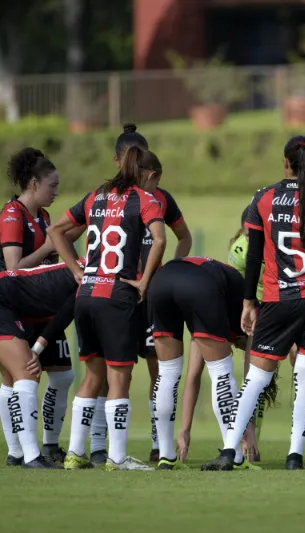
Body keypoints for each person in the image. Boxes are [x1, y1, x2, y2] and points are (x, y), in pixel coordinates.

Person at [201, 135, 305, 471]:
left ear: (286, 163)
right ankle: (295, 455)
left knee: (256, 379)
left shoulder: (264, 198)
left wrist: (247, 302)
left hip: (277, 300)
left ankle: (230, 451)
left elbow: (253, 255)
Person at [48, 146, 167, 471]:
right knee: (119, 379)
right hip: (117, 296)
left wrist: (76, 269)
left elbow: (56, 231)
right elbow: (159, 240)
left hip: (86, 295)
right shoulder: (145, 200)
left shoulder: (95, 197)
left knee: (92, 376)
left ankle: (74, 454)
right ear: (150, 175)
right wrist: (143, 283)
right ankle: (116, 457)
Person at [87, 123, 193, 466]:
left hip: (151, 298)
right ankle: (100, 445)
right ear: (119, 162)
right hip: (115, 295)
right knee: (105, 372)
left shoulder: (159, 198)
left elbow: (183, 237)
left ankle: (156, 442)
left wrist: (170, 273)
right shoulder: (106, 198)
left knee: (158, 371)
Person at [227, 206, 305, 463]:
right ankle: (252, 444)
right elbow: (236, 290)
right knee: (259, 378)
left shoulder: (280, 238)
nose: (254, 238)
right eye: (250, 234)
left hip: (292, 303)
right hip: (261, 313)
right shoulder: (240, 251)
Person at [0, 148, 73, 465]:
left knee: (63, 376)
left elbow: (47, 261)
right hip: (18, 307)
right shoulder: (12, 216)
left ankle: (50, 445)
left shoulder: (43, 217)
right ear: (33, 183)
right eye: (51, 186)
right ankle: (16, 451)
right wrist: (48, 247)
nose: (56, 192)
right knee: (17, 377)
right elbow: (13, 269)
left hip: (45, 307)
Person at [0, 260, 84, 469]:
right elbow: (64, 315)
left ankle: (17, 453)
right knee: (27, 374)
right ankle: (31, 458)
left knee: (12, 377)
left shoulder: (90, 269)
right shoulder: (93, 277)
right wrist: (36, 351)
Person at [147, 256, 259, 470]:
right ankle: (234, 455)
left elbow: (193, 375)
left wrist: (185, 429)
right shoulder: (250, 316)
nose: (238, 348)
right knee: (221, 372)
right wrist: (249, 427)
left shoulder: (216, 306)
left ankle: (165, 457)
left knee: (167, 372)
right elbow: (250, 378)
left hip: (161, 281)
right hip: (199, 285)